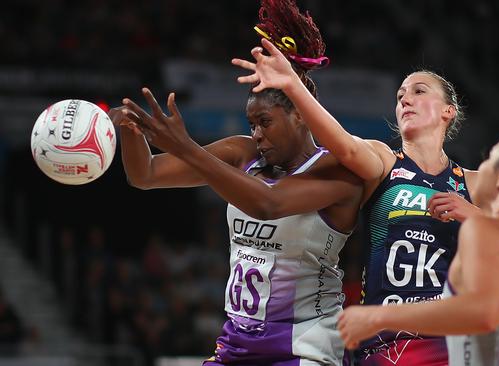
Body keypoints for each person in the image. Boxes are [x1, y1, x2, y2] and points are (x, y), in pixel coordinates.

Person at [111, 1, 363, 364]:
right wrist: (131, 129)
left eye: (265, 122)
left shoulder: (336, 171)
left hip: (306, 346)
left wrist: (186, 146)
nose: (257, 134)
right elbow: (145, 175)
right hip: (237, 342)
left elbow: (268, 204)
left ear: (300, 116)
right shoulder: (242, 154)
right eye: (252, 125)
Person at [233, 38, 481, 365]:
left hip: (447, 338)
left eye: (419, 91)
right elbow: (346, 148)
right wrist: (293, 86)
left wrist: (476, 215)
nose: (406, 98)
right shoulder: (384, 160)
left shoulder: (474, 182)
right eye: (400, 95)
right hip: (385, 343)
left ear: (449, 111)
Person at [337, 121, 499, 366]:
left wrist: (377, 316)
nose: (483, 165)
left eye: (489, 158)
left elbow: (483, 313)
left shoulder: (485, 231)